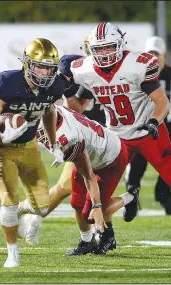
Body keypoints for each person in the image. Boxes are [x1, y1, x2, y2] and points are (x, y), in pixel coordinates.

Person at [69, 22, 171, 230]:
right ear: (90, 50)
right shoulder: (86, 70)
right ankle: (111, 228)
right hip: (115, 138)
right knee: (96, 202)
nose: (104, 53)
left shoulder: (137, 64)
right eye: (99, 48)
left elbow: (162, 101)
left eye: (109, 47)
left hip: (147, 132)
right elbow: (77, 105)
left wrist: (154, 121)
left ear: (120, 44)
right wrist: (61, 104)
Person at [0, 38, 74, 268]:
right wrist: (2, 136)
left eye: (49, 68)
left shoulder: (54, 86)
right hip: (2, 149)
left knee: (41, 206)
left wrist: (53, 144)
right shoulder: (8, 83)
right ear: (27, 64)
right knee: (8, 203)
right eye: (40, 66)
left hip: (29, 146)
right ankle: (12, 252)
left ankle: (21, 211)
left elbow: (49, 111)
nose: (44, 72)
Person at [19, 36, 108, 246]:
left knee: (71, 187)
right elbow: (73, 107)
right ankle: (31, 213)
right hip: (75, 135)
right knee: (70, 187)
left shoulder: (107, 74)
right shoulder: (72, 69)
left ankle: (32, 214)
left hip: (92, 137)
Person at [19, 105, 136, 255]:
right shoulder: (56, 112)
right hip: (91, 152)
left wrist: (98, 206)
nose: (38, 133)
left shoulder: (70, 140)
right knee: (76, 203)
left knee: (93, 213)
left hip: (111, 159)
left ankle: (130, 197)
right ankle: (87, 242)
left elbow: (89, 177)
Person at [125, 36, 171, 215]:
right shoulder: (136, 74)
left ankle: (164, 195)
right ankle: (132, 197)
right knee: (136, 163)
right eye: (150, 54)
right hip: (141, 126)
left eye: (157, 54)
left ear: (165, 56)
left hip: (167, 126)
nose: (153, 58)